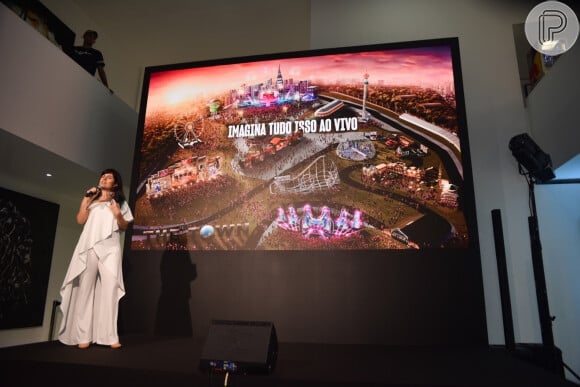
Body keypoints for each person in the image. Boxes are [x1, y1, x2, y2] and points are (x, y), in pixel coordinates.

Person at [58, 168, 133, 349]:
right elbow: (80, 220)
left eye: (108, 177)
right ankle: (83, 335)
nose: (104, 178)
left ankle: (109, 336)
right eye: (103, 176)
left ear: (115, 183)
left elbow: (124, 226)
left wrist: (117, 213)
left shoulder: (120, 201)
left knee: (110, 290)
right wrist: (86, 198)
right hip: (89, 246)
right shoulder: (91, 199)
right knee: (85, 290)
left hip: (110, 247)